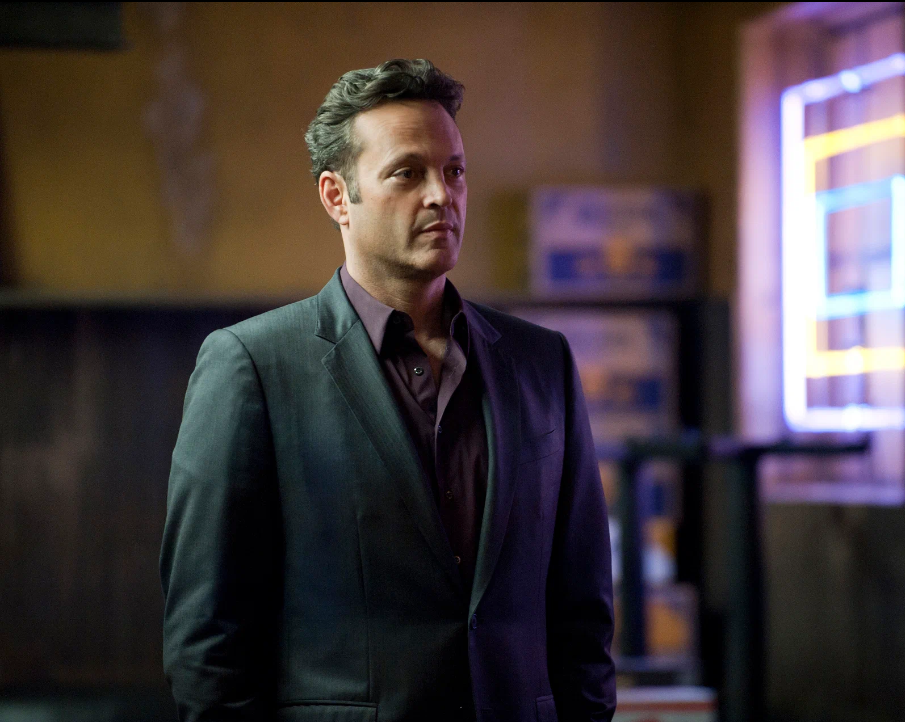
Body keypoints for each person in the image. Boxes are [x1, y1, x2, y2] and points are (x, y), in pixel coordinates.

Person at [160, 59, 616, 722]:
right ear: (336, 197)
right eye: (407, 173)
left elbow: (583, 608)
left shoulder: (540, 362)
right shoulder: (251, 366)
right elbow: (208, 636)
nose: (441, 195)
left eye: (454, 171)